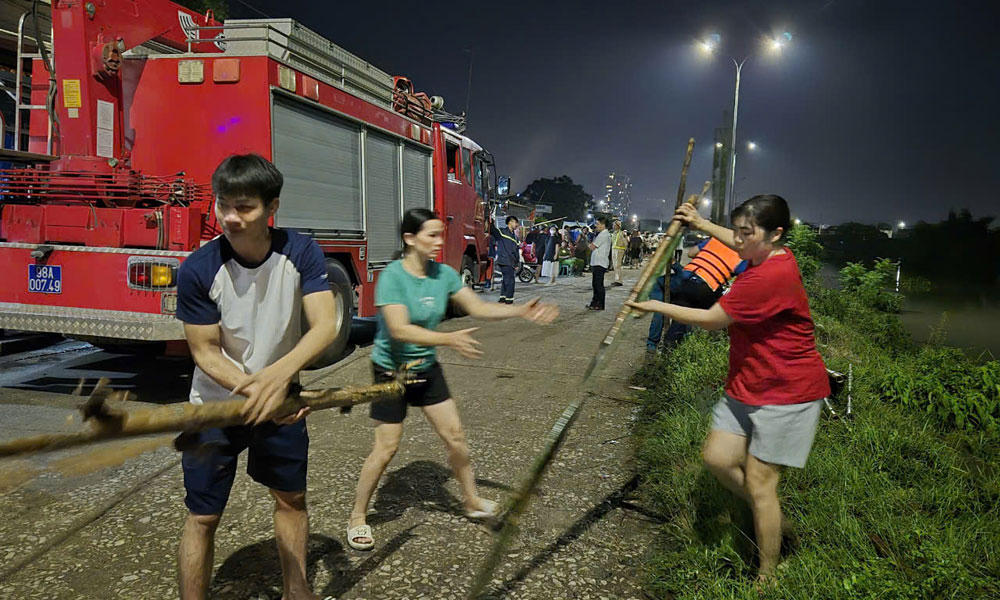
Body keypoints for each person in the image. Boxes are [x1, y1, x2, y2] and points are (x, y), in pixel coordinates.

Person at [627, 195, 830, 583]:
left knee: (760, 480)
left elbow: (711, 319)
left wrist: (656, 307)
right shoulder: (765, 253)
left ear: (775, 236)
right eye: (735, 230)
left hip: (787, 391)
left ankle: (768, 573)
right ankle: (772, 516)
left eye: (746, 233)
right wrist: (700, 223)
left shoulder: (768, 276)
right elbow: (737, 241)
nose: (737, 240)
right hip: (747, 383)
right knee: (718, 459)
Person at [175, 154, 339, 600]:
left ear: (272, 207)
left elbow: (325, 325)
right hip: (215, 404)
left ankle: (296, 589)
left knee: (290, 500)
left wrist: (280, 383)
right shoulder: (198, 268)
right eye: (222, 204)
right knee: (202, 516)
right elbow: (204, 351)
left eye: (244, 207)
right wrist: (255, 389)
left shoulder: (301, 252)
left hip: (281, 403)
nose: (229, 217)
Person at [346, 208, 559, 551]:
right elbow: (399, 330)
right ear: (409, 239)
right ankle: (358, 516)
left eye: (439, 234)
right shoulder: (392, 277)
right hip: (392, 371)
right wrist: (449, 339)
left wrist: (521, 311)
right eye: (430, 235)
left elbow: (478, 308)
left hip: (426, 368)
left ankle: (471, 500)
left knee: (455, 437)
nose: (438, 241)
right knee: (386, 448)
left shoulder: (443, 275)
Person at [646, 236, 746, 353]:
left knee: (676, 310)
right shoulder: (743, 257)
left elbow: (691, 253)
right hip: (701, 287)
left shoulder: (714, 241)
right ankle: (660, 345)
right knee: (677, 312)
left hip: (685, 280)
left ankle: (660, 345)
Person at [490, 215, 520, 304]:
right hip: (505, 260)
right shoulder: (502, 232)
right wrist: (491, 221)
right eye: (515, 222)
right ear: (510, 222)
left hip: (511, 261)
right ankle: (509, 299)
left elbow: (516, 251)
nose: (517, 224)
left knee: (506, 279)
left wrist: (517, 263)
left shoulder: (514, 237)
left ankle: (503, 297)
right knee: (510, 281)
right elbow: (493, 230)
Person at [587, 216, 611, 310]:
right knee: (595, 284)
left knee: (598, 285)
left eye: (598, 224)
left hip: (600, 262)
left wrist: (587, 240)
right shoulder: (602, 234)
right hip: (598, 262)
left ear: (603, 225)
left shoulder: (603, 234)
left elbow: (592, 246)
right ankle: (594, 303)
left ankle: (600, 304)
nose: (596, 226)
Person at [610, 220, 627, 286]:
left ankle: (619, 281)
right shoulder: (614, 233)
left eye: (614, 225)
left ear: (618, 226)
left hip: (619, 250)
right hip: (614, 249)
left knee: (617, 265)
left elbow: (625, 242)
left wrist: (624, 249)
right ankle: (617, 280)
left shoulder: (622, 233)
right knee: (615, 265)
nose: (613, 226)